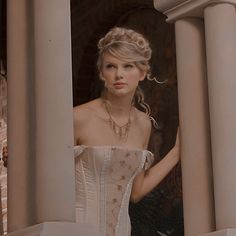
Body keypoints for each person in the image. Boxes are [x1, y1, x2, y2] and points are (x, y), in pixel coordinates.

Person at [73, 27, 180, 236]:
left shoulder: (143, 124)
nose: (118, 74)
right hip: (77, 229)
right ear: (102, 73)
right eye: (111, 66)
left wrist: (176, 152)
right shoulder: (78, 117)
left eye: (128, 66)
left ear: (142, 73)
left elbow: (136, 192)